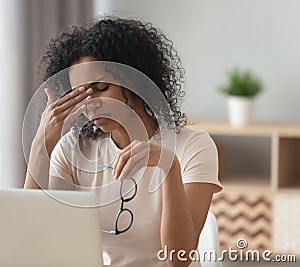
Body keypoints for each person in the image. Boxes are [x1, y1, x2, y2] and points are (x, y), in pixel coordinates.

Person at [24, 17, 222, 267]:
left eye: (101, 87)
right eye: (79, 94)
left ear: (135, 82)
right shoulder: (74, 150)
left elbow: (178, 259)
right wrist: (41, 145)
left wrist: (168, 167)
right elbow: (35, 240)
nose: (90, 102)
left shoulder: (193, 147)